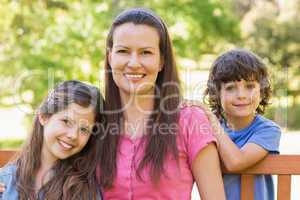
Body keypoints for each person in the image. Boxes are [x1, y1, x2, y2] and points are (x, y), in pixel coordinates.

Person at [96, 8, 225, 200]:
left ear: (161, 61)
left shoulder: (189, 120)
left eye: (146, 52)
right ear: (110, 57)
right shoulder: (94, 121)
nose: (133, 63)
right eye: (123, 51)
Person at [0, 80, 104, 200]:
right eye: (66, 121)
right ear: (44, 116)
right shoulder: (5, 181)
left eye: (84, 129)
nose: (73, 135)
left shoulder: (87, 191)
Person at [203, 49, 282, 200]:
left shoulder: (268, 130)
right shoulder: (207, 130)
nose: (241, 95)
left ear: (262, 92)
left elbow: (236, 162)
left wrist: (211, 120)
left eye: (250, 86)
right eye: (231, 88)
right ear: (217, 94)